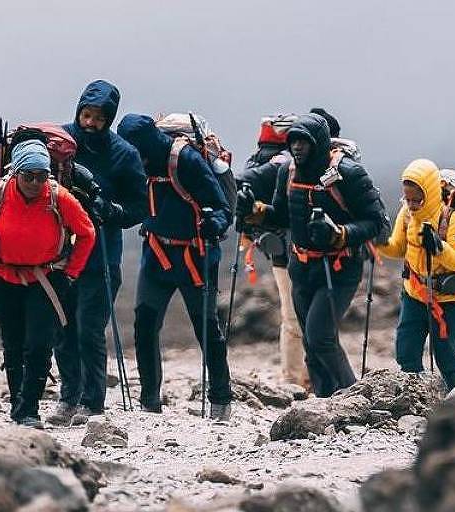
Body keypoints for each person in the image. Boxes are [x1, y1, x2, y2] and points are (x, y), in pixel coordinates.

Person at [236, 113, 386, 398]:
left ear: (318, 143)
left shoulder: (350, 174)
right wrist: (254, 211)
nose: (297, 148)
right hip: (301, 267)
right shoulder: (287, 172)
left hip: (339, 269)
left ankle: (352, 398)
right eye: (293, 141)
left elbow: (375, 222)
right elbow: (281, 216)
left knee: (321, 338)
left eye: (303, 142)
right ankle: (324, 398)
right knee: (310, 341)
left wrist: (339, 233)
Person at [0, 140, 95, 428]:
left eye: (41, 176)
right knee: (12, 342)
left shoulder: (59, 197)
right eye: (28, 176)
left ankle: (30, 410)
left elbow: (86, 233)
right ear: (15, 173)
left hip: (46, 280)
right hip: (1, 279)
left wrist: (70, 273)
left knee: (39, 344)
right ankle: (18, 406)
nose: (35, 182)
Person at [117, 114, 233, 419]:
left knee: (206, 328)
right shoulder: (135, 161)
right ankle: (149, 401)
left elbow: (222, 207)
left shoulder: (186, 160)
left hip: (196, 256)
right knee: (144, 324)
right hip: (156, 254)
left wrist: (215, 223)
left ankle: (221, 399)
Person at [49, 80, 147, 424]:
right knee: (63, 327)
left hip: (102, 256)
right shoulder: (59, 143)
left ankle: (93, 403)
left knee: (89, 329)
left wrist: (110, 210)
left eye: (98, 118)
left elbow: (139, 208)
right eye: (85, 114)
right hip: (58, 255)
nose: (90, 123)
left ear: (110, 119)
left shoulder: (124, 154)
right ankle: (67, 399)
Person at [377, 159, 455, 390]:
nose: (411, 205)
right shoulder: (406, 215)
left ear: (428, 193)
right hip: (414, 295)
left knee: (445, 356)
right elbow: (398, 248)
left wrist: (438, 247)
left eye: (416, 200)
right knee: (406, 351)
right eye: (406, 199)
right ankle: (417, 397)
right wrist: (377, 241)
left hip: (449, 301)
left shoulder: (452, 218)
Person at [236, 115, 307, 387]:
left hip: (277, 251)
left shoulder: (256, 159)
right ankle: (300, 377)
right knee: (299, 316)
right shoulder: (285, 162)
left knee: (290, 316)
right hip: (299, 248)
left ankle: (293, 377)